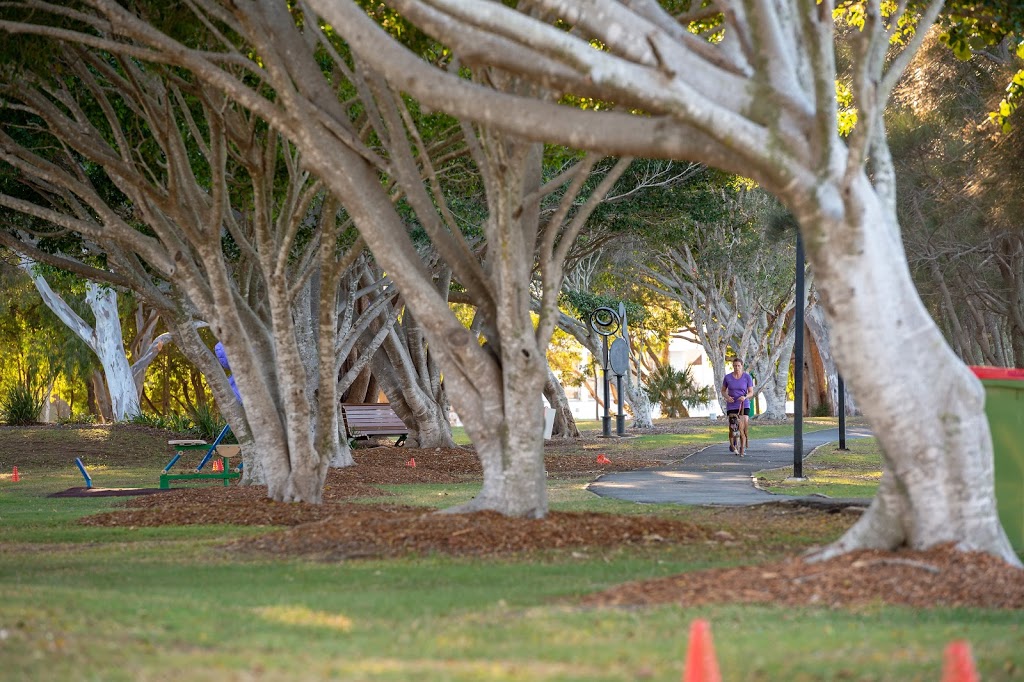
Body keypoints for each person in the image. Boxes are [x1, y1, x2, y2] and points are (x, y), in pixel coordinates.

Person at [721, 358, 754, 456]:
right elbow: (723, 391)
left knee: (744, 425)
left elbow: (751, 392)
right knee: (733, 425)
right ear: (733, 366)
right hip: (732, 405)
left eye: (738, 365)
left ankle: (743, 447)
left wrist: (745, 397)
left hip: (744, 404)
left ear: (742, 366)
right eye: (735, 365)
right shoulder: (728, 377)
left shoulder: (747, 377)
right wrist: (727, 397)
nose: (736, 367)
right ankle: (734, 442)